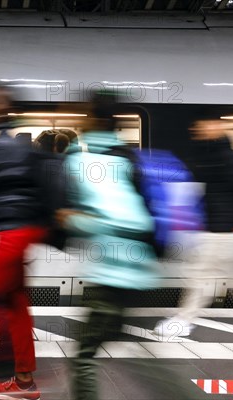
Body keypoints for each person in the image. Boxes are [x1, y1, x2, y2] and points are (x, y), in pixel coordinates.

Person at [56, 93, 159, 400]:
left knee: (84, 354)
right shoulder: (125, 155)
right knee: (131, 352)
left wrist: (71, 219)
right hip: (136, 267)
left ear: (94, 119)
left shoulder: (85, 160)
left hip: (115, 270)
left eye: (82, 114)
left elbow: (112, 219)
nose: (78, 120)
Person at [0, 82, 63, 400]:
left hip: (13, 235)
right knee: (11, 301)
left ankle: (23, 381)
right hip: (22, 233)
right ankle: (8, 352)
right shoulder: (24, 148)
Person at [154, 116, 233, 337]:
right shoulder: (220, 156)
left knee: (199, 275)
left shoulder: (226, 159)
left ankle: (183, 322)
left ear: (217, 126)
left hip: (224, 231)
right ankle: (183, 320)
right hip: (227, 230)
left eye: (204, 124)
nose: (197, 128)